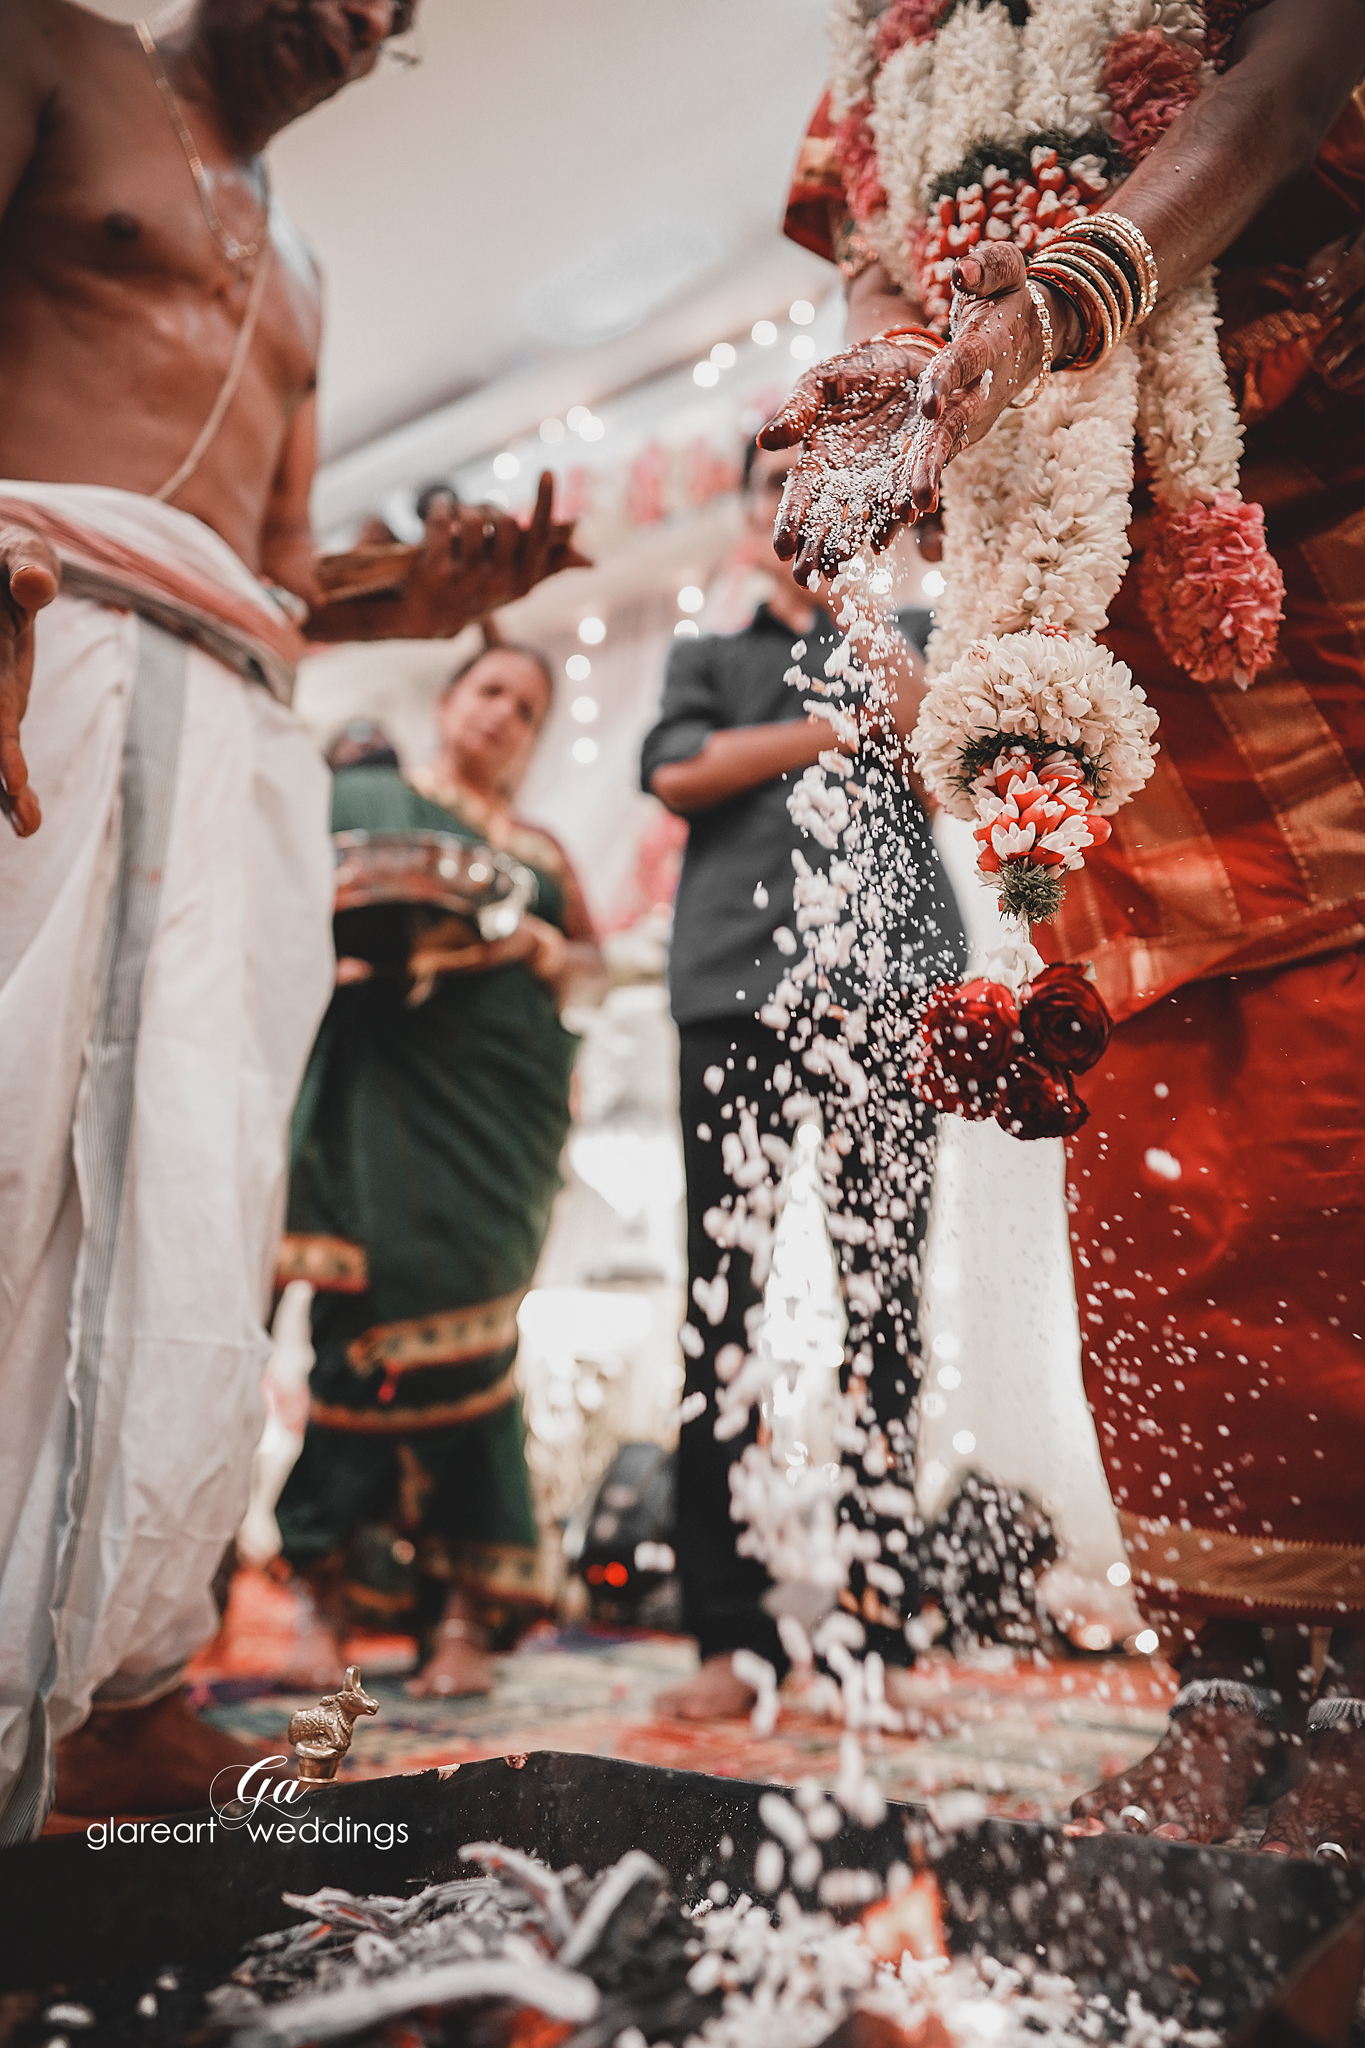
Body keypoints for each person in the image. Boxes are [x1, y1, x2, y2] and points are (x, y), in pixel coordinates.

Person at [767, 0, 1365, 1855]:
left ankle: (1349, 1707)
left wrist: (1053, 308)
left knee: (1333, 1134)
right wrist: (911, 378)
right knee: (1157, 1168)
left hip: (1300, 547)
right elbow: (884, 255)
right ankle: (1230, 1686)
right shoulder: (883, 45)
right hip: (1068, 622)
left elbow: (1284, 97)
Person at [0, 0, 583, 1838]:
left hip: (240, 727)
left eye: (400, 20)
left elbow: (274, 564)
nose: (362, 23)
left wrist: (418, 600)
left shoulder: (303, 266)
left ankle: (128, 1685)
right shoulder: (49, 53)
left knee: (201, 1194)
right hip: (43, 638)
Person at [640, 437, 965, 1720]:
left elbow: (944, 739)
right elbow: (678, 771)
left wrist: (870, 622)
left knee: (886, 1305)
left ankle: (878, 1632)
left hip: (891, 1000)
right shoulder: (703, 656)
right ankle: (730, 1635)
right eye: (781, 490)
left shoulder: (916, 624)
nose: (804, 510)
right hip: (731, 998)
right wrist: (830, 724)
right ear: (745, 516)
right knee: (719, 1312)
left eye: (833, 488)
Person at [274, 642, 605, 1698]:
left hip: (503, 1125)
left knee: (478, 1359)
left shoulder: (543, 848)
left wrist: (544, 952)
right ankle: (320, 1598)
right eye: (492, 691)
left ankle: (465, 1611)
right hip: (391, 1098)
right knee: (356, 1338)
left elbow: (591, 962)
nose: (506, 713)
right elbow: (312, 918)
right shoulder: (376, 799)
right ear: (447, 699)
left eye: (529, 704)